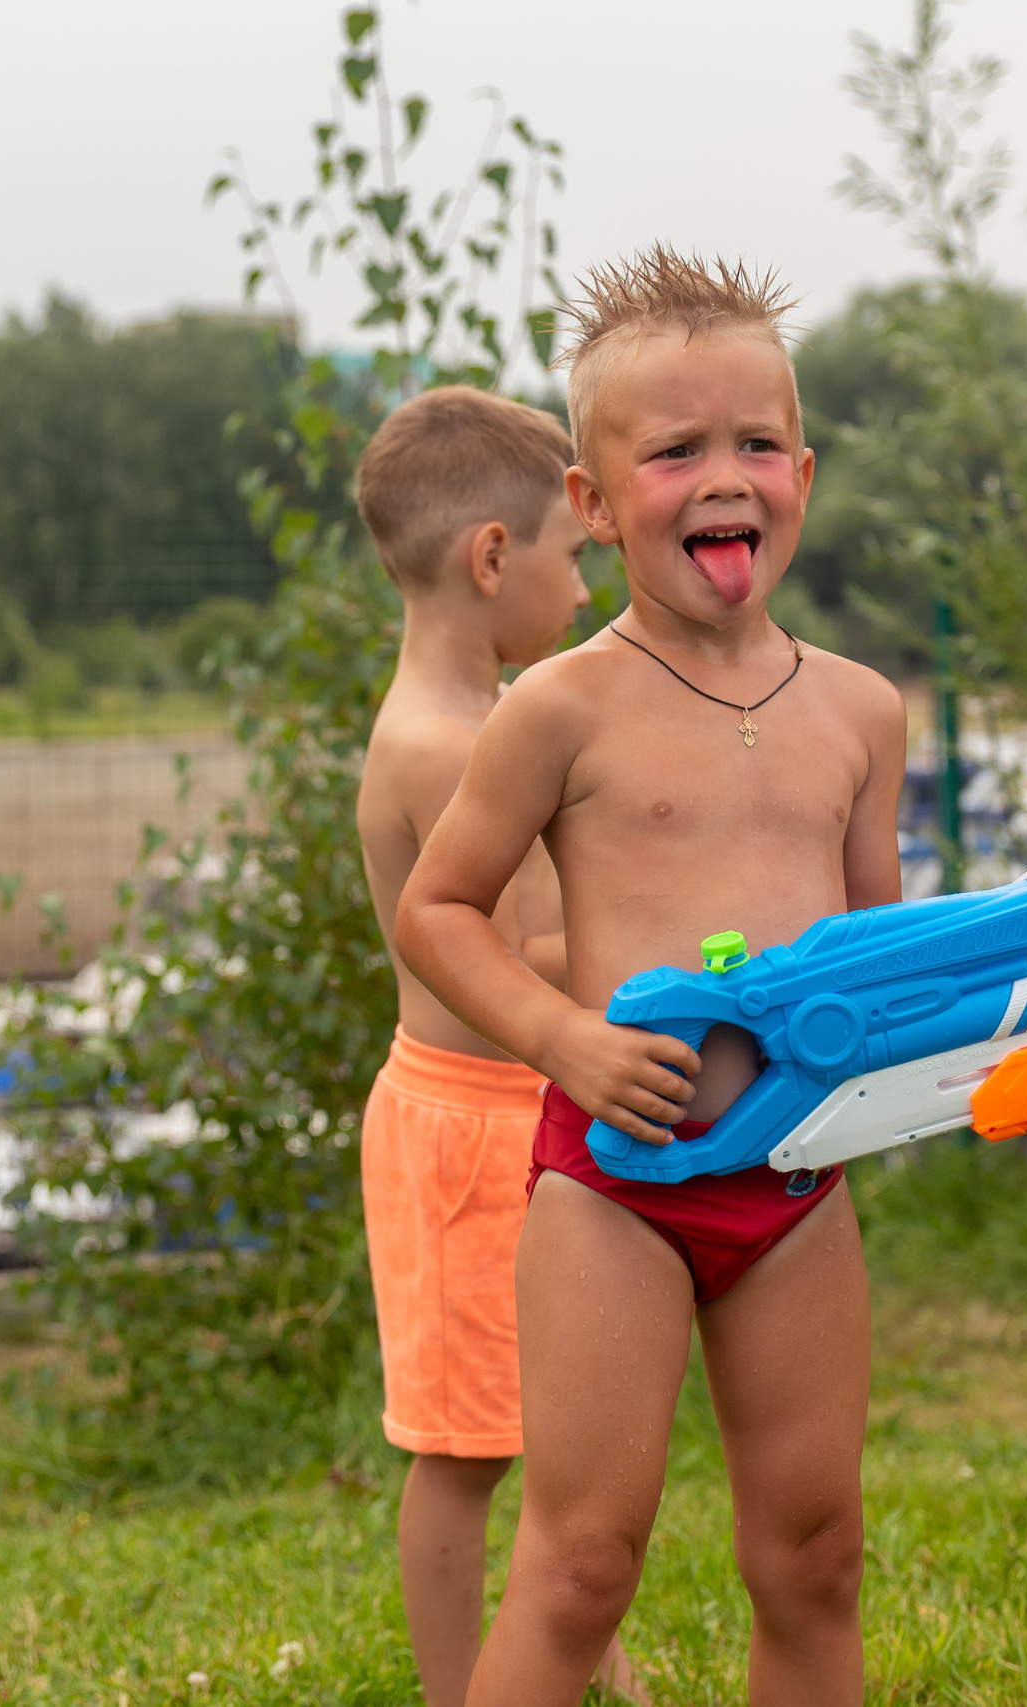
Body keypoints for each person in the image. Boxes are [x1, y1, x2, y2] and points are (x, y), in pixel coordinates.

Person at [393, 246, 1027, 1706]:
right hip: (615, 1182)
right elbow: (438, 909)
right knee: (581, 1563)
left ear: (802, 472)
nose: (721, 477)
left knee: (814, 1555)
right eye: (675, 451)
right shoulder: (557, 706)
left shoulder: (860, 709)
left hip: (800, 1182)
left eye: (754, 444)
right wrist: (562, 1039)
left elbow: (891, 977)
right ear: (592, 504)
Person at [351, 385, 639, 1705]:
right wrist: (672, 950)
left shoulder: (492, 715)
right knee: (465, 1447)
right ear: (489, 557)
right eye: (571, 555)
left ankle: (591, 1673)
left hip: (524, 1104)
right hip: (466, 1130)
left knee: (561, 1431)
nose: (582, 589)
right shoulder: (442, 744)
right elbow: (513, 956)